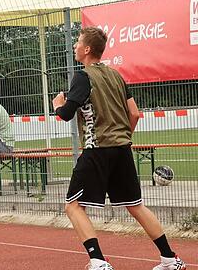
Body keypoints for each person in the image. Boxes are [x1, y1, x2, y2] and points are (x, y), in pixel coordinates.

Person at [53, 27, 185, 270]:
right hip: (122, 148)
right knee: (135, 205)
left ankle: (98, 261)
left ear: (87, 49)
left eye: (78, 42)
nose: (75, 46)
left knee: (72, 205)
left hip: (97, 149)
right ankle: (170, 259)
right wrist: (123, 137)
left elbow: (66, 114)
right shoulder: (116, 75)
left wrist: (58, 104)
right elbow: (134, 113)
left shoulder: (83, 77)